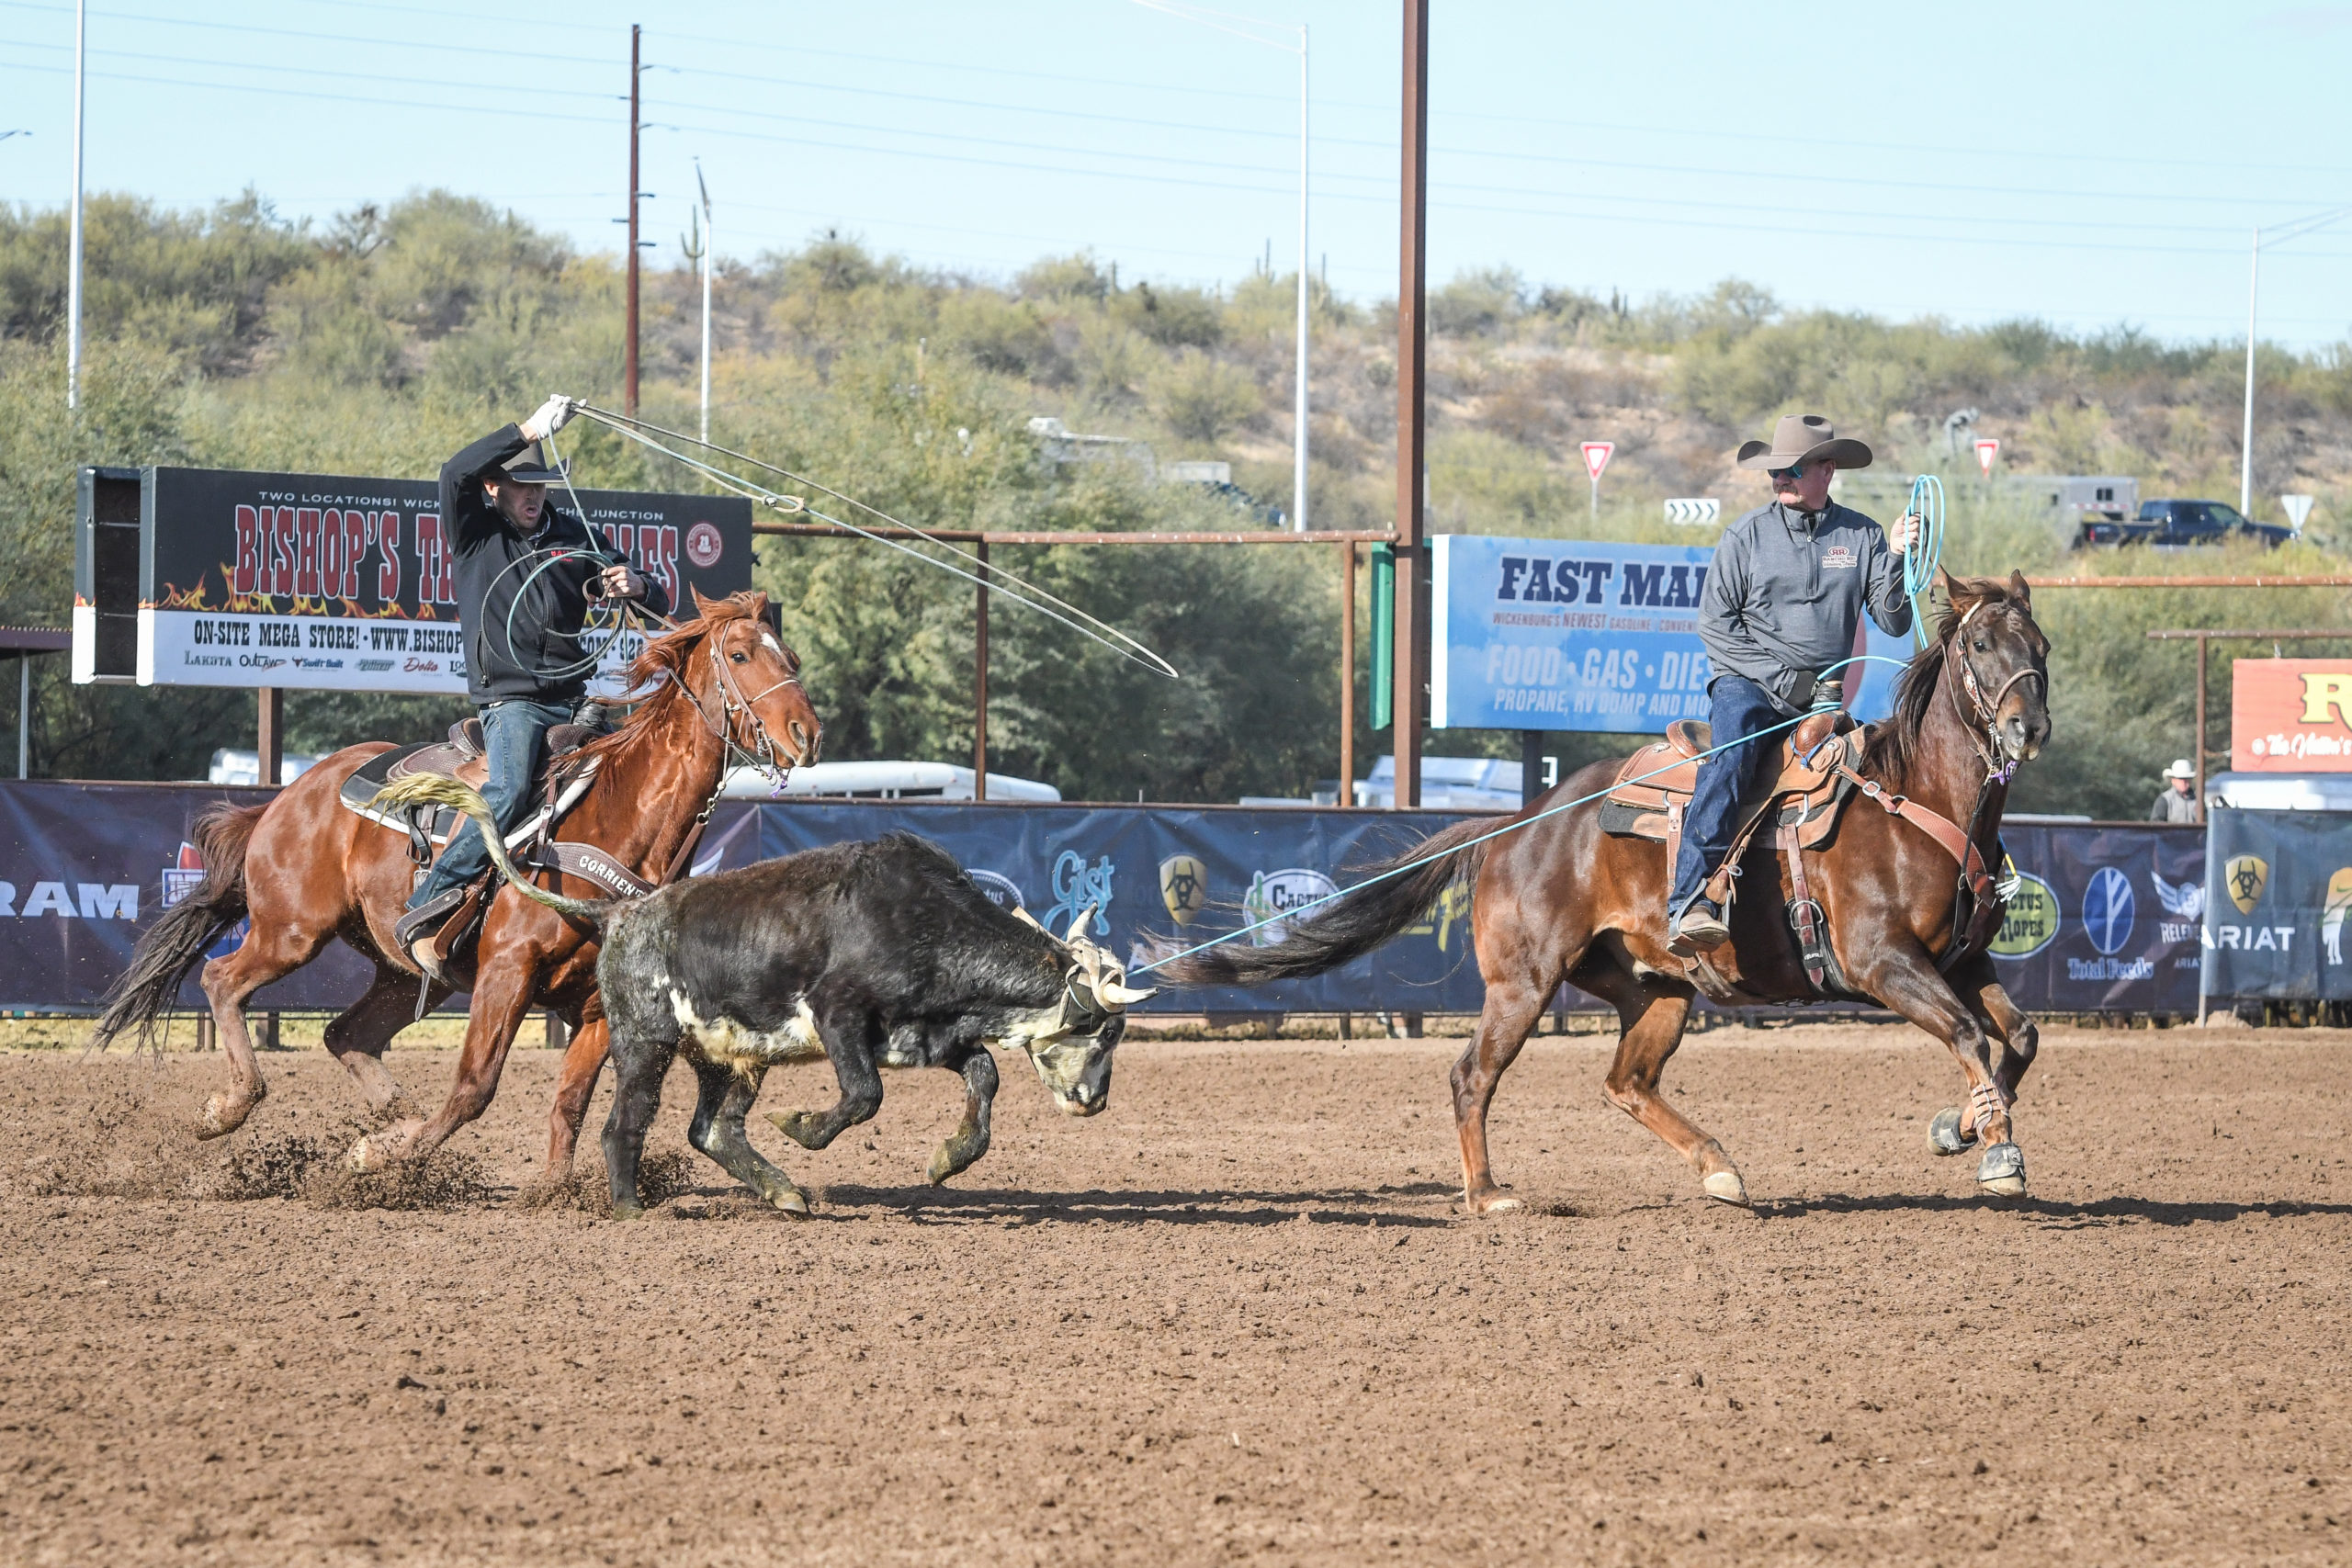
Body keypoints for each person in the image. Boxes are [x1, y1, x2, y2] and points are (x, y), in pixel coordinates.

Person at [394, 395, 671, 978]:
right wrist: (526, 430)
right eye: (521, 486)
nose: (533, 496)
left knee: (644, 779)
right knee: (509, 788)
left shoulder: (575, 536)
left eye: (540, 486)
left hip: (576, 699)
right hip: (513, 702)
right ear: (494, 488)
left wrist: (636, 583)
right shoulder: (475, 534)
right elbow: (453, 472)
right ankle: (428, 903)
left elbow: (658, 596)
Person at [1668, 413, 1918, 953]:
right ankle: (1690, 902)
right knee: (1731, 761)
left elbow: (1894, 620)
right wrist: (1786, 679)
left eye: (1792, 469)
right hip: (1749, 686)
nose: (1779, 479)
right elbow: (1716, 625)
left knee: (1875, 776)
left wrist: (1897, 556)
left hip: (1823, 699)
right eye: (1774, 471)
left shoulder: (1863, 535)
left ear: (1826, 471)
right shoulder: (1745, 535)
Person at [2150, 759, 2200, 823]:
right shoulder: (2164, 800)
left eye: (2186, 778)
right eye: (2180, 778)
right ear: (2173, 780)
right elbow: (2156, 826)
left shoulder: (2198, 800)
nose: (2183, 781)